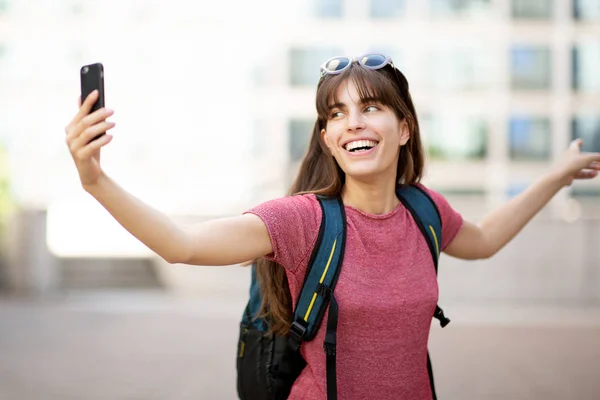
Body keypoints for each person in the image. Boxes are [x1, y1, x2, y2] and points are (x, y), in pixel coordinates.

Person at [64, 54, 600, 400]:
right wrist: (95, 181)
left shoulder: (424, 211)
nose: (353, 123)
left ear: (404, 127)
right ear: (326, 138)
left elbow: (482, 240)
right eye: (336, 114)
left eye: (370, 107)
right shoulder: (303, 220)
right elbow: (182, 245)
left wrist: (555, 177)